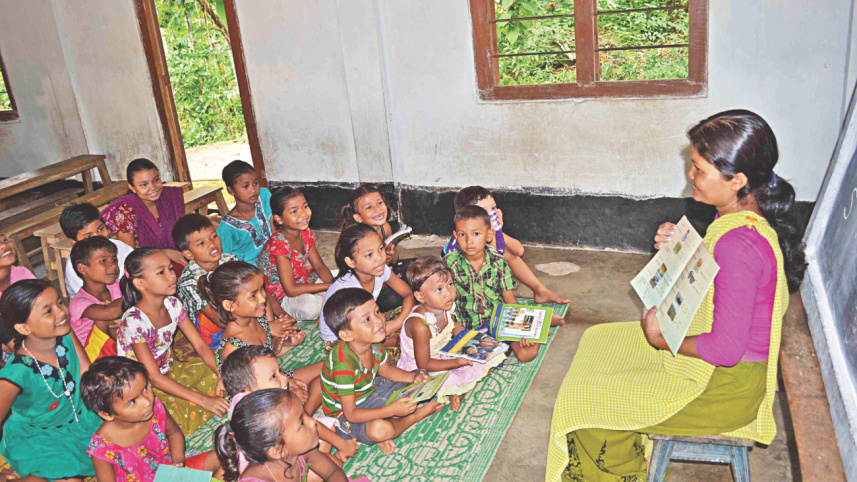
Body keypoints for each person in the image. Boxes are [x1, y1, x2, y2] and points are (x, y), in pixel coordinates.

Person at [545, 110, 806, 482]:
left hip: (723, 391)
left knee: (582, 400)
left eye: (699, 169)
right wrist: (681, 250)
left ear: (738, 180)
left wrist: (662, 337)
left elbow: (726, 349)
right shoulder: (738, 218)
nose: (691, 175)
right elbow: (721, 281)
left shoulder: (739, 244)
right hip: (724, 372)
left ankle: (615, 472)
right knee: (599, 337)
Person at [116, 248, 228, 434]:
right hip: (145, 387)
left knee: (226, 373)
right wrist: (203, 400)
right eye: (161, 272)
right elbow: (153, 377)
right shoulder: (134, 322)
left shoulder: (173, 305)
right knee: (171, 418)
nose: (172, 276)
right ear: (140, 283)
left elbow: (200, 345)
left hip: (171, 370)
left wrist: (220, 372)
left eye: (170, 268)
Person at [319, 288, 443, 455]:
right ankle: (413, 416)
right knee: (380, 430)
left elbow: (386, 371)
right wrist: (391, 410)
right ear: (347, 335)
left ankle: (390, 419)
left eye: (377, 312)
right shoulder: (343, 365)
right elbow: (351, 414)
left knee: (425, 376)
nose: (379, 321)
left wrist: (413, 377)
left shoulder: (372, 341)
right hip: (346, 415)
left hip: (372, 392)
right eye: (367, 320)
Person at [0, 279, 102, 480]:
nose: (61, 312)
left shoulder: (63, 333)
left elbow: (85, 372)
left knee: (128, 436)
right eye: (48, 311)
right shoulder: (16, 373)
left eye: (60, 302)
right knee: (70, 478)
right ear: (23, 328)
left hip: (82, 417)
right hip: (40, 436)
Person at [81, 357, 221, 481]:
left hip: (169, 469)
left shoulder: (155, 408)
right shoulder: (101, 448)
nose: (147, 401)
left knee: (221, 459)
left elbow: (174, 433)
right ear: (107, 414)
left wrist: (178, 461)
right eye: (132, 402)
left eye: (145, 388)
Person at [219, 345, 359, 469]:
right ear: (249, 390)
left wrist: (341, 444)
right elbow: (305, 425)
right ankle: (312, 466)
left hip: (288, 442)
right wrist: (342, 444)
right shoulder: (265, 414)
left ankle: (316, 460)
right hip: (278, 466)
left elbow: (306, 423)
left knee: (327, 429)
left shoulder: (249, 398)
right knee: (332, 464)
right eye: (274, 376)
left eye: (280, 371)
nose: (284, 379)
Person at [398, 257, 504, 411]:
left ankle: (460, 386)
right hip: (423, 368)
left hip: (443, 355)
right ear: (420, 297)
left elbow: (455, 328)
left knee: (485, 352)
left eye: (450, 284)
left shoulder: (445, 308)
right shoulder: (420, 325)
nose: (448, 293)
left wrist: (474, 337)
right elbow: (424, 363)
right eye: (439, 289)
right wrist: (456, 363)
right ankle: (457, 391)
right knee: (446, 377)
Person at [173, 213, 290, 350]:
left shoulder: (229, 259)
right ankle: (263, 337)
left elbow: (258, 290)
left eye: (214, 236)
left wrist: (277, 320)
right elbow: (221, 320)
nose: (212, 244)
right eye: (201, 243)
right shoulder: (189, 284)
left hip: (243, 315)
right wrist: (268, 328)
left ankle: (268, 337)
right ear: (189, 254)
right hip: (217, 331)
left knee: (255, 288)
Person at [444, 205, 541, 363]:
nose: (469, 241)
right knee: (474, 362)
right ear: (455, 236)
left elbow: (510, 301)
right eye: (462, 235)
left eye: (476, 234)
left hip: (498, 322)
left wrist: (522, 332)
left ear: (489, 235)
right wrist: (455, 328)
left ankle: (535, 336)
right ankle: (499, 347)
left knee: (526, 355)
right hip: (468, 326)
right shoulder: (450, 263)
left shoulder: (498, 263)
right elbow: (444, 303)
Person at [443, 186, 570, 306]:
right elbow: (493, 261)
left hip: (481, 265)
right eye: (484, 212)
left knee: (510, 255)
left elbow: (519, 250)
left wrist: (498, 230)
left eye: (493, 208)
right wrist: (492, 231)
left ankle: (540, 291)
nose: (492, 214)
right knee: (500, 258)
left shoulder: (485, 231)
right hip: (465, 281)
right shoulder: (465, 241)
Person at [214, 389, 351, 482]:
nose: (313, 421)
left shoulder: (299, 451)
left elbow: (333, 472)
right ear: (277, 450)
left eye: (305, 415)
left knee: (335, 463)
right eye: (301, 423)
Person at [318, 225, 414, 355]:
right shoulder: (349, 290)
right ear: (351, 262)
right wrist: (391, 340)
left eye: (380, 248)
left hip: (364, 322)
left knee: (418, 314)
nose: (379, 258)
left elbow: (408, 294)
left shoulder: (380, 269)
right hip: (342, 341)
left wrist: (397, 322)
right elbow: (357, 338)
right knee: (405, 352)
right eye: (369, 254)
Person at [197, 261, 305, 368]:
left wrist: (282, 345)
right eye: (253, 295)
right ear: (230, 305)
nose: (263, 298)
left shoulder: (258, 320)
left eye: (262, 289)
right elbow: (253, 382)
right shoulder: (232, 348)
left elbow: (262, 358)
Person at [257, 187, 333, 321]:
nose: (303, 214)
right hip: (282, 295)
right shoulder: (279, 244)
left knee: (343, 274)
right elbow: (290, 290)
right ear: (279, 219)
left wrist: (333, 284)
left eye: (305, 206)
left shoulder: (306, 233)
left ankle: (326, 299)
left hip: (302, 280)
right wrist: (328, 287)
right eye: (294, 211)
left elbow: (319, 266)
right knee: (309, 307)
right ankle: (326, 301)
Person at [101, 158, 188, 271]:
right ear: (132, 188)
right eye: (143, 185)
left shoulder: (170, 197)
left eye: (156, 180)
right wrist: (164, 253)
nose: (152, 188)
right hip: (147, 268)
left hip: (178, 256)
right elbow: (130, 257)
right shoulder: (126, 211)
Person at [337, 185, 413, 312]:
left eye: (379, 203)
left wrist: (393, 257)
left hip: (384, 273)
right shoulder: (357, 240)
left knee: (417, 268)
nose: (377, 210)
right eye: (369, 207)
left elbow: (391, 258)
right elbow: (358, 274)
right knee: (394, 298)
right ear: (358, 217)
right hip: (365, 283)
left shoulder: (385, 228)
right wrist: (382, 280)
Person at [59, 203, 134, 300]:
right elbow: (100, 301)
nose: (98, 237)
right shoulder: (77, 267)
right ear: (73, 242)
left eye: (100, 229)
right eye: (88, 236)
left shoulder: (120, 246)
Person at [68, 236, 123, 361]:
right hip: (92, 358)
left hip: (115, 346)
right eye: (103, 261)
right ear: (83, 269)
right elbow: (110, 312)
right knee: (105, 319)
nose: (113, 266)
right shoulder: (79, 303)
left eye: (114, 260)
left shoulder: (117, 286)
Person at [217, 161, 273, 265]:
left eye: (255, 183)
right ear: (231, 191)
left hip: (276, 257)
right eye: (246, 186)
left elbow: (274, 225)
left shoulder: (264, 196)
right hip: (250, 272)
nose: (253, 190)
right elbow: (225, 260)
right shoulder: (227, 227)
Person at [0, 233, 36, 354]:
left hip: (37, 333)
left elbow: (42, 303)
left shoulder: (22, 274)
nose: (3, 246)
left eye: (4, 240)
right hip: (11, 349)